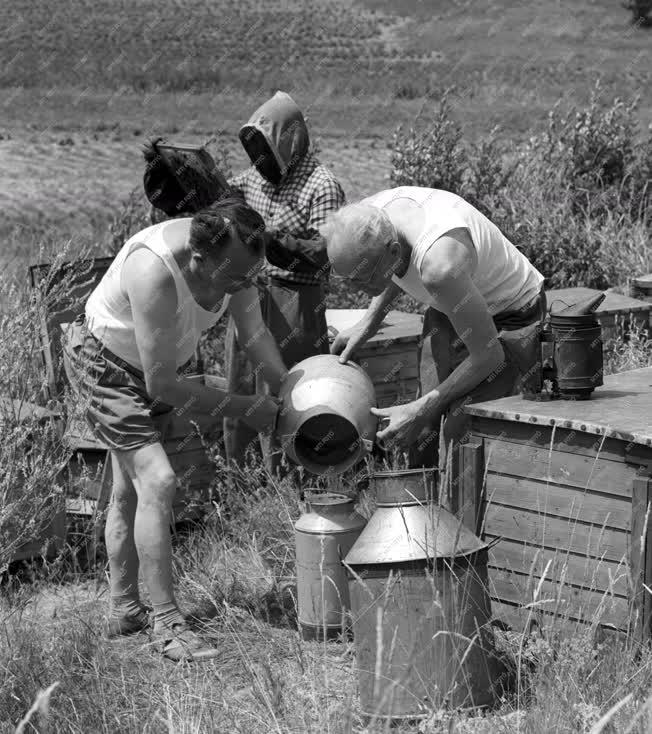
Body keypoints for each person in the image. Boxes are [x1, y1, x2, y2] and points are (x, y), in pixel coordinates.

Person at [63, 203, 287, 662]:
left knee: (131, 489)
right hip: (103, 365)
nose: (244, 286)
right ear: (198, 260)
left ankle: (125, 609)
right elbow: (161, 384)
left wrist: (291, 393)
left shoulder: (235, 260)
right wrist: (247, 409)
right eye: (235, 279)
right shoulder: (155, 271)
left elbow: (255, 334)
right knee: (158, 480)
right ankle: (168, 626)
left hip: (156, 365)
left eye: (250, 276)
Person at [321, 186, 546, 467]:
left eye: (363, 279)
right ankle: (417, 506)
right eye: (347, 280)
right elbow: (395, 268)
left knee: (462, 430)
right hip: (451, 304)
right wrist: (367, 323)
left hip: (512, 314)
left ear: (393, 251)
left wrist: (421, 410)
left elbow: (489, 356)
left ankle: (461, 510)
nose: (358, 291)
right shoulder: (366, 220)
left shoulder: (440, 267)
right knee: (421, 429)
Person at [225, 90, 346, 470]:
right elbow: (224, 200)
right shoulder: (252, 181)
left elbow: (326, 252)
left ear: (289, 141)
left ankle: (293, 481)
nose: (261, 162)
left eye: (268, 150)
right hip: (249, 296)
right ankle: (242, 479)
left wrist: (279, 240)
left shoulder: (321, 185)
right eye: (255, 153)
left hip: (297, 302)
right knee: (243, 388)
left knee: (291, 393)